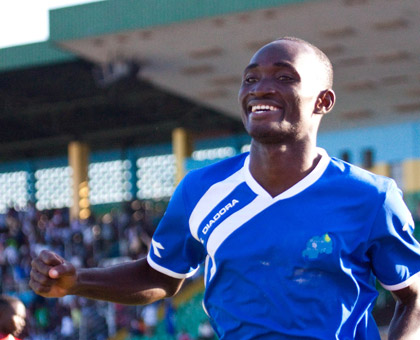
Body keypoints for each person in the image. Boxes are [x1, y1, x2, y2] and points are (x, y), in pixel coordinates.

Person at [30, 37, 420, 339]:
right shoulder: (201, 189)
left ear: (323, 100)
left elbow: (413, 298)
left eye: (284, 77)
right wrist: (76, 281)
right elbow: (161, 276)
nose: (261, 88)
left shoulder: (371, 197)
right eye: (251, 78)